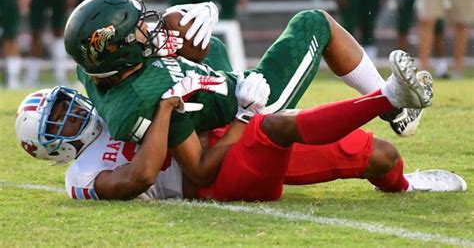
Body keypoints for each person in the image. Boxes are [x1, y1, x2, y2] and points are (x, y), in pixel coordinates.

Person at [63, 0, 429, 186]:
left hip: (213, 87)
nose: (150, 27)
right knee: (313, 22)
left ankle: (391, 102)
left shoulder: (96, 68)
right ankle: (394, 107)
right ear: (120, 49)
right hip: (247, 103)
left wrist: (194, 13)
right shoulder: (149, 96)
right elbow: (200, 170)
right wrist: (244, 113)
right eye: (138, 30)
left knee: (189, 33)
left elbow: (163, 45)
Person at [15, 60, 467, 201]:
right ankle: (389, 97)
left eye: (68, 104)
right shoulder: (80, 177)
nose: (77, 112)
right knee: (275, 128)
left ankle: (405, 186)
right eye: (64, 120)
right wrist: (168, 106)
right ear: (53, 149)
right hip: (210, 182)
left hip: (217, 144)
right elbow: (141, 175)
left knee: (383, 156)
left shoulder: (107, 102)